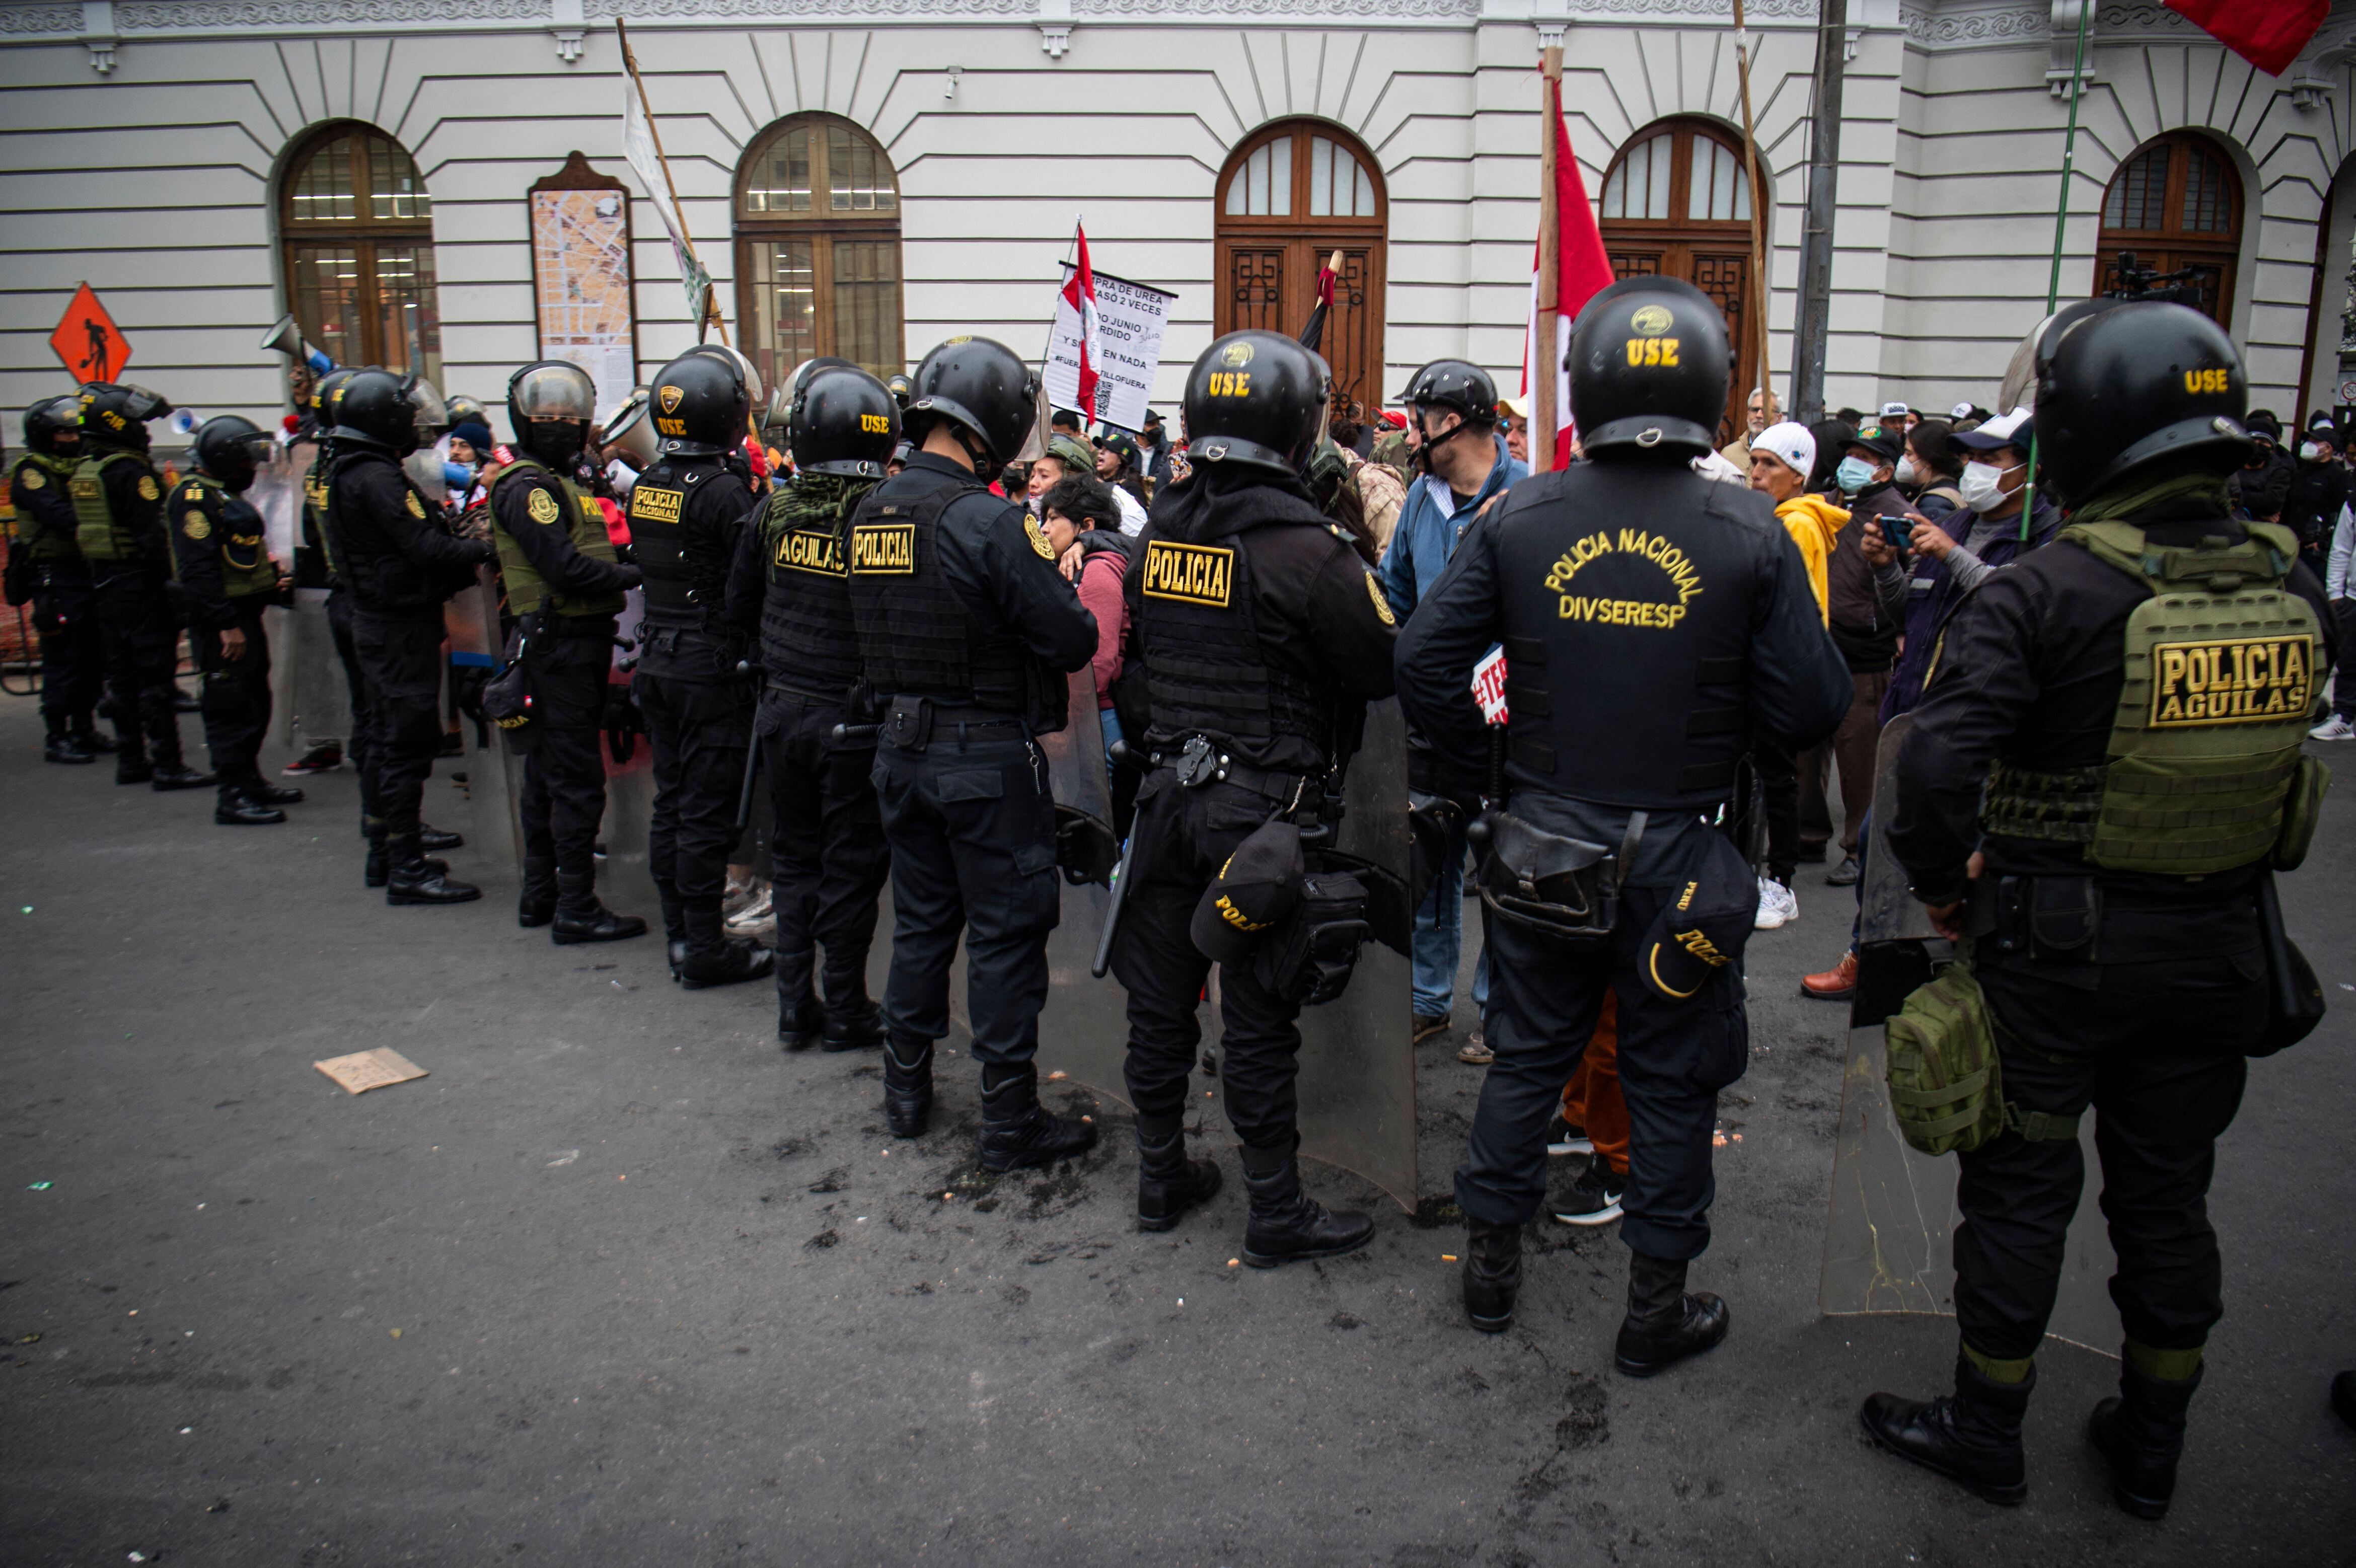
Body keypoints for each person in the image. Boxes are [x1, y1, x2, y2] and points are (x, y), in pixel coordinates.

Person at [1860, 302, 2336, 1519]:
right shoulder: (2286, 590)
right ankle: (2151, 1441)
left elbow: (1924, 772)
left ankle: (1984, 1427)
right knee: (2167, 1195)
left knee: (2018, 1190)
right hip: (2221, 944)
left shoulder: (2048, 593)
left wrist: (1937, 885)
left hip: (2053, 949)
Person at [1395, 276, 1850, 1364]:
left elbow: (1420, 661)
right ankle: (1653, 1316)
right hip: (1684, 856)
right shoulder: (1749, 527)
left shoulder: (1525, 514)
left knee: (1525, 1059)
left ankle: (1491, 1281)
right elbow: (1814, 707)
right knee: (1670, 1078)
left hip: (1545, 847)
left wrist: (1507, 754)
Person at [1112, 330, 1399, 1260]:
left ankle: (1162, 1178)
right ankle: (1275, 1211)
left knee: (1158, 1001)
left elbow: (1139, 668)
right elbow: (1383, 665)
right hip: (1263, 821)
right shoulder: (1312, 555)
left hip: (1165, 801)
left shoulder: (1158, 534)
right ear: (1300, 426)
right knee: (1259, 1020)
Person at [843, 335, 1099, 1169]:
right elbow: (1070, 638)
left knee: (920, 926)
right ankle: (1008, 1122)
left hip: (900, 749)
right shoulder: (987, 519)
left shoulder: (870, 510)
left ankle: (905, 1094)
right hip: (982, 760)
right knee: (1001, 934)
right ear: (993, 421)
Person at [724, 360, 898, 1049]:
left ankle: (795, 1007)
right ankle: (848, 1007)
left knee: (794, 862)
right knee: (851, 867)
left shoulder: (772, 509)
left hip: (782, 709)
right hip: (850, 722)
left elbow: (740, 607)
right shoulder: (879, 516)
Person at [1375, 360, 1527, 1050]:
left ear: (1452, 422)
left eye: (1419, 418)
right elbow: (1397, 597)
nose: (1411, 431)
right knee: (1430, 856)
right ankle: (1428, 998)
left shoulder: (1530, 496)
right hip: (1431, 715)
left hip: (1506, 721)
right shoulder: (1418, 500)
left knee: (1506, 866)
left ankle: (1500, 1009)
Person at [320, 367, 495, 904]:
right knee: (405, 739)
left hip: (377, 617)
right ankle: (407, 867)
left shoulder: (350, 469)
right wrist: (486, 549)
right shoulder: (375, 477)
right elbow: (423, 548)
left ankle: (387, 847)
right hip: (396, 625)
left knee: (382, 735)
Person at [488, 360, 646, 943]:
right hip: (560, 647)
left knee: (547, 776)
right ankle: (576, 904)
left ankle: (543, 894)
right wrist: (636, 574)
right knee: (575, 778)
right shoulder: (529, 488)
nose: (562, 425)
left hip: (566, 644)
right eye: (547, 416)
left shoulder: (557, 481)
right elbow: (565, 567)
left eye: (569, 416)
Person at [629, 350, 772, 987]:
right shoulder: (720, 490)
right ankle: (706, 948)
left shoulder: (649, 481)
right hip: (709, 670)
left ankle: (682, 938)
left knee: (674, 804)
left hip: (658, 658)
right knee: (706, 815)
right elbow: (749, 581)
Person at [1879, 408, 2059, 726]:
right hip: (1912, 707)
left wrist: (1951, 554)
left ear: (2030, 471)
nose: (1976, 469)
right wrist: (1884, 567)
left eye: (1990, 461)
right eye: (1971, 458)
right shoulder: (1950, 525)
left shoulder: (2048, 537)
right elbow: (1907, 614)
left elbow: (2014, 603)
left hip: (1976, 724)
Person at [71, 383, 210, 790]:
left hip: (107, 584)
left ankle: (132, 759)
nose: (146, 432)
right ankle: (168, 763)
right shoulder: (131, 472)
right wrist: (174, 586)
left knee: (122, 677)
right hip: (141, 587)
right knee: (155, 678)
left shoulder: (89, 467)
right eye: (139, 423)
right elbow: (152, 538)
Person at [167, 415, 302, 825]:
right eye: (246, 460)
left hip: (243, 615)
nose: (252, 468)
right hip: (223, 625)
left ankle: (250, 779)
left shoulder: (220, 494)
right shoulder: (194, 499)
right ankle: (233, 795)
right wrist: (226, 623)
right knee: (230, 707)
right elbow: (198, 571)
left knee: (254, 702)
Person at [1744, 420, 1848, 929]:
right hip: (1765, 668)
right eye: (1755, 462)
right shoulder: (1778, 517)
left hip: (1776, 671)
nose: (1757, 473)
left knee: (1777, 778)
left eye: (1771, 465)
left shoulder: (1796, 524)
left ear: (1799, 475)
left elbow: (1786, 604)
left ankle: (1779, 882)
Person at [1812, 422, 1909, 887]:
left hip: (1863, 654)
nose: (1853, 462)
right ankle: (1807, 832)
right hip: (1817, 645)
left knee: (1859, 757)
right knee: (1806, 749)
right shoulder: (1828, 504)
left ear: (1885, 470)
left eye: (1865, 457)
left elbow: (1906, 591)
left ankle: (1857, 847)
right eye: (1850, 452)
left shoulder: (1898, 515)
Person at [10, 395, 111, 764]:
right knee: (62, 656)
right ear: (45, 434)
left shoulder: (83, 465)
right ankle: (58, 735)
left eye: (74, 431)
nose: (72, 437)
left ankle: (84, 728)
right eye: (63, 432)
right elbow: (58, 514)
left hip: (86, 570)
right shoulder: (30, 470)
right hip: (54, 576)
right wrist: (98, 526)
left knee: (91, 654)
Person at [1037, 471, 1132, 780]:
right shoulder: (1076, 564)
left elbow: (1098, 667)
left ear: (1087, 526)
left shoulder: (1098, 570)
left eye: (1053, 519)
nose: (1044, 530)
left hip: (1093, 719)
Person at [2281, 412, 2345, 578]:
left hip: (2315, 551)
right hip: (2291, 543)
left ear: (2328, 448)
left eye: (2315, 442)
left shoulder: (2339, 477)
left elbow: (2340, 514)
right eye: (2309, 441)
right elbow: (2289, 506)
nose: (2308, 445)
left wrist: (2323, 542)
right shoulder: (2301, 473)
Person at [2313, 499, 2355, 740]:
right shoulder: (2353, 501)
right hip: (2353, 596)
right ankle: (2343, 718)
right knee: (2348, 660)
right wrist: (2335, 593)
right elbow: (2341, 547)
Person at [1720, 387, 1779, 472]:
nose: (1759, 415)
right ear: (1748, 414)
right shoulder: (1729, 455)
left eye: (1766, 410)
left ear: (1779, 418)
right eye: (1755, 410)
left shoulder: (1785, 457)